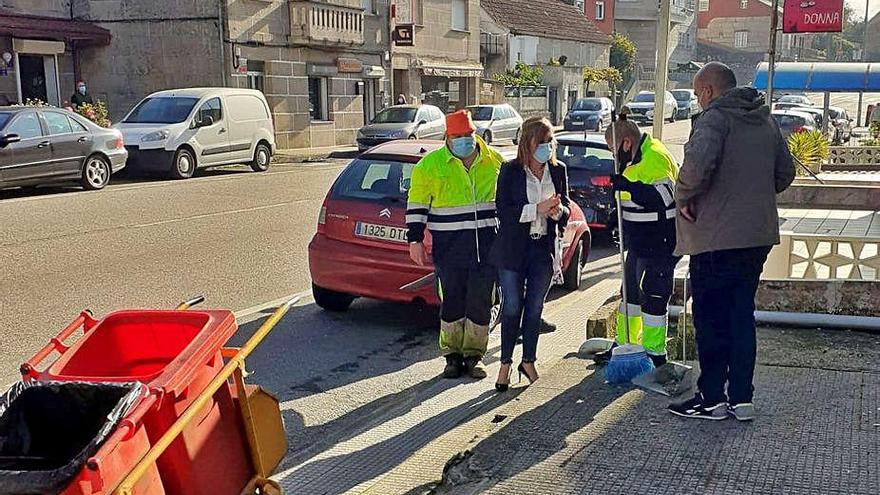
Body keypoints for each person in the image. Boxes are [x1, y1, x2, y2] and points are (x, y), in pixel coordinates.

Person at [669, 62, 795, 421]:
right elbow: (785, 173)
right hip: (757, 236)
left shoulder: (714, 120)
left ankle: (711, 399)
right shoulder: (764, 119)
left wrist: (684, 199)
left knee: (710, 319)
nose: (697, 100)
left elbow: (693, 171)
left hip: (716, 238)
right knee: (741, 315)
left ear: (708, 91)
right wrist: (750, 193)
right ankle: (742, 399)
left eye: (697, 94)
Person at [406, 109, 503, 379]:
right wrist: (414, 240)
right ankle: (451, 356)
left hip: (487, 248)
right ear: (448, 137)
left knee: (480, 302)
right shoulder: (430, 166)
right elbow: (416, 205)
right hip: (449, 250)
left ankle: (474, 355)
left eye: (468, 135)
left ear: (475, 133)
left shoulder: (494, 161)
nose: (465, 140)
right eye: (459, 136)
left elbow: (507, 202)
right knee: (452, 303)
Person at [490, 117, 570, 391]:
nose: (547, 148)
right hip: (513, 248)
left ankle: (528, 361)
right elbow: (503, 211)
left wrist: (558, 212)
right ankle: (504, 365)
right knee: (512, 307)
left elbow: (567, 207)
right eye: (541, 142)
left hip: (542, 248)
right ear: (528, 143)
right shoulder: (511, 170)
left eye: (550, 142)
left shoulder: (558, 171)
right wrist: (537, 208)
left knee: (535, 309)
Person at [596, 114, 680, 368]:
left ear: (626, 143)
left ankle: (655, 352)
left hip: (661, 241)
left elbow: (664, 197)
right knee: (629, 294)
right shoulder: (631, 160)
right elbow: (629, 199)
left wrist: (630, 187)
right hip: (638, 240)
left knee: (655, 293)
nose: (613, 157)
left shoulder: (655, 156)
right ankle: (625, 345)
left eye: (613, 150)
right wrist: (614, 216)